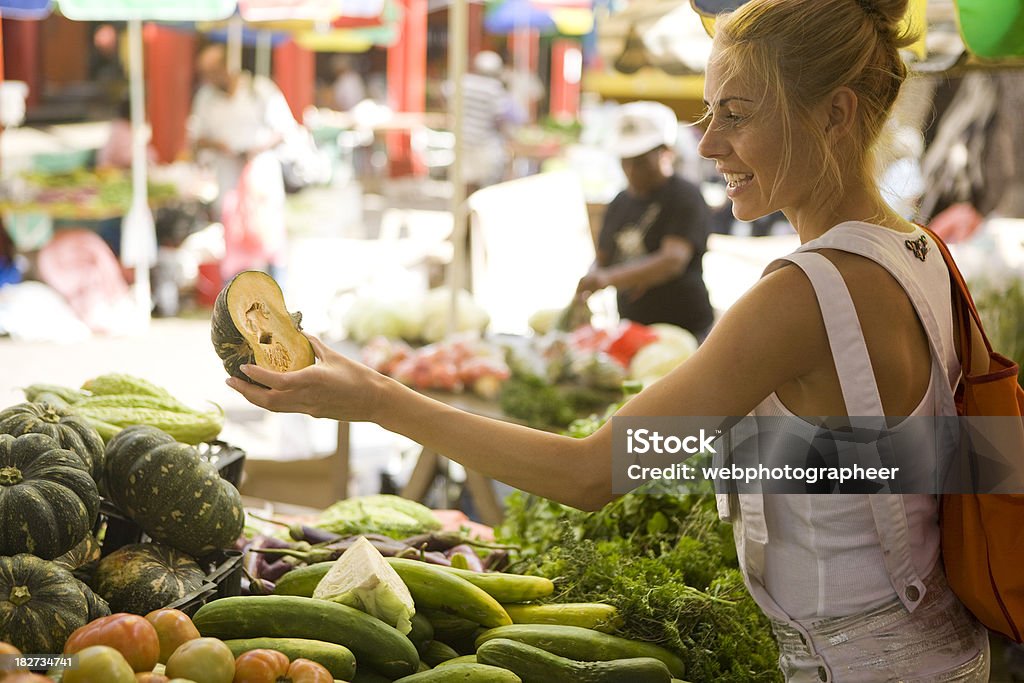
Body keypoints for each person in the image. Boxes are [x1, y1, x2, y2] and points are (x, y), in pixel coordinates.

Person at [227, 0, 992, 679]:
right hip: (944, 650)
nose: (706, 145)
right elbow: (907, 459)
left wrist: (380, 401)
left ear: (834, 113)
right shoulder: (918, 252)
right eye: (707, 113)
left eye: (737, 113)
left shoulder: (799, 298)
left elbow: (593, 474)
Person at [576, 101, 714, 341]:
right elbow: (603, 257)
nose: (631, 170)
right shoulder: (620, 202)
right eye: (625, 160)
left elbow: (673, 260)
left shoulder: (684, 197)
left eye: (640, 161)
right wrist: (590, 281)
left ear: (666, 153)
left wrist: (608, 279)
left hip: (684, 329)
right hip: (632, 327)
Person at [188, 44, 295, 281]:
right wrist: (219, 146)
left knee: (270, 243)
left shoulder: (260, 90)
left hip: (262, 181)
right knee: (234, 249)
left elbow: (285, 129)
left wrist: (255, 148)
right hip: (228, 184)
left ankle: (278, 296)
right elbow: (195, 138)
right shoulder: (205, 98)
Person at [459, 50, 516, 193]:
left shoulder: (464, 82)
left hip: (462, 138)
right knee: (485, 184)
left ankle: (463, 212)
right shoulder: (494, 88)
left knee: (466, 182)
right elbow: (502, 117)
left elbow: (444, 93)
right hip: (484, 142)